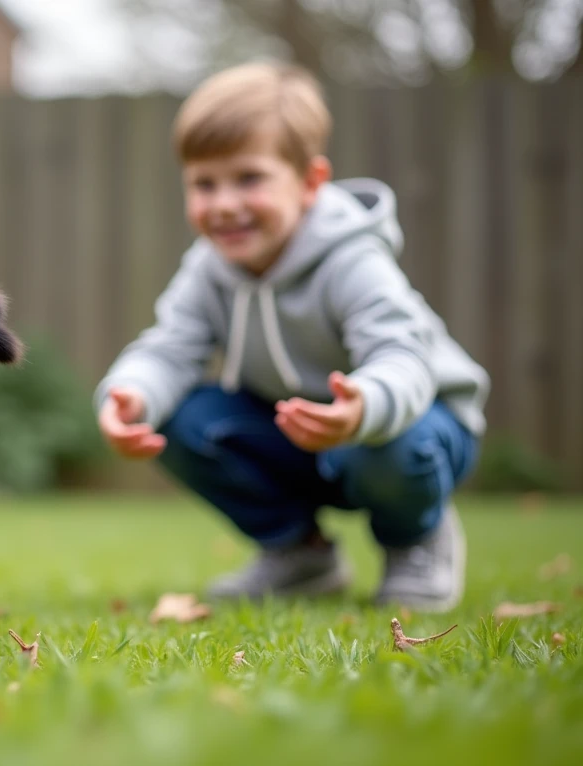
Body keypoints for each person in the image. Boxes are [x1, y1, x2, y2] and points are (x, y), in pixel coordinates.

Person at [95, 62, 489, 611]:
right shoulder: (209, 268)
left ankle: (416, 540)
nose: (225, 203)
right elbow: (169, 348)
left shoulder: (351, 258)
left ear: (309, 183)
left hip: (410, 427)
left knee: (391, 443)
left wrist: (364, 406)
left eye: (249, 178)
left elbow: (402, 355)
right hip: (302, 431)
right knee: (180, 415)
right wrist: (131, 394)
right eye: (204, 184)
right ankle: (301, 554)